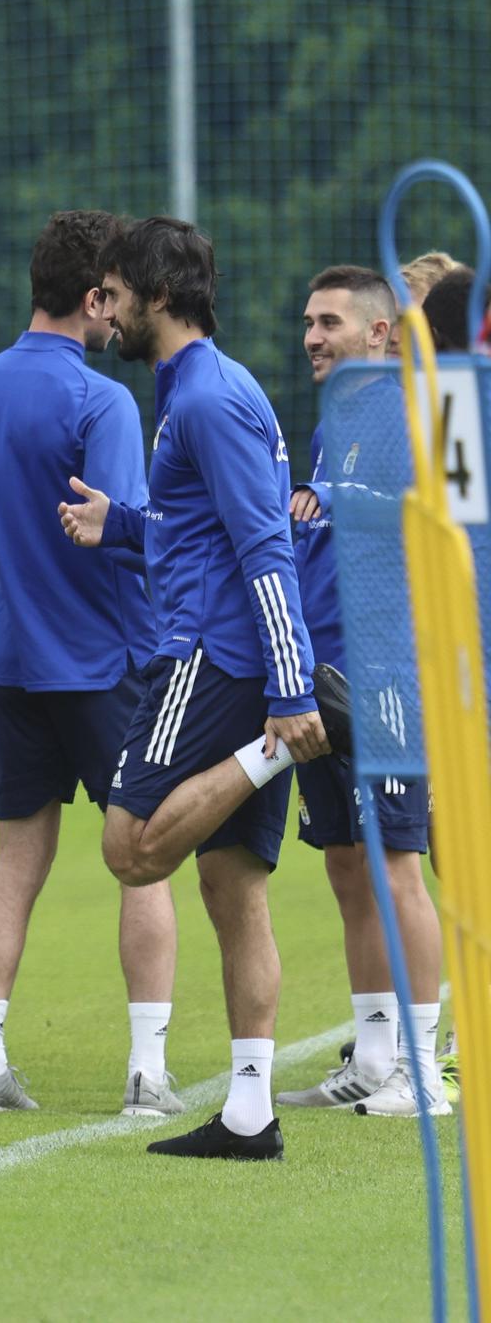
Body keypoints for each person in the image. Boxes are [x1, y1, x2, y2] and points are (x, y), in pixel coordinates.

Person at [59, 216, 353, 1160]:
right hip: (236, 654)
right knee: (234, 891)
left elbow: (266, 546)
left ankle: (279, 751)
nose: (103, 310)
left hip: (209, 659)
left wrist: (291, 694)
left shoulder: (209, 401)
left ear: (160, 297)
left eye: (113, 294)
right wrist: (128, 526)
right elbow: (210, 529)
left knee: (129, 847)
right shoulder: (201, 390)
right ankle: (250, 1113)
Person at [0, 210, 178, 1117]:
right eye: (111, 295)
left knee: (15, 863)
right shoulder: (102, 400)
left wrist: (8, 616)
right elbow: (120, 528)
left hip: (19, 665)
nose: (116, 314)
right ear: (90, 296)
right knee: (145, 861)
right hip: (109, 661)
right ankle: (148, 1072)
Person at [274, 265, 447, 1117]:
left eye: (329, 321)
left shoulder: (423, 408)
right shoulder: (332, 420)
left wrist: (336, 495)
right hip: (324, 680)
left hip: (390, 677)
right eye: (308, 321)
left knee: (398, 866)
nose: (311, 335)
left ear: (380, 332)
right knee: (347, 864)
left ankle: (426, 1070)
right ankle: (375, 1056)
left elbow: (442, 520)